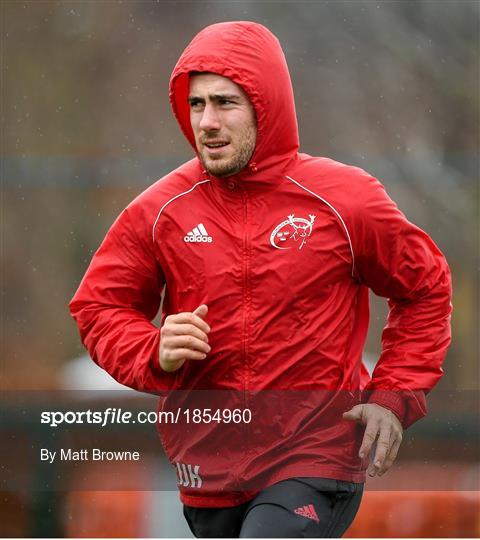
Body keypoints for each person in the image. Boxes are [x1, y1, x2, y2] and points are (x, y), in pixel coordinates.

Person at [70, 21, 452, 538]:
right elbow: (99, 308)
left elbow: (425, 287)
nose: (207, 120)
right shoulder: (160, 210)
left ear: (264, 105)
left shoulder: (346, 199)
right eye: (197, 103)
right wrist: (152, 348)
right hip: (208, 466)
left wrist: (394, 396)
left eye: (226, 103)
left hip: (315, 454)